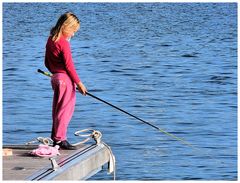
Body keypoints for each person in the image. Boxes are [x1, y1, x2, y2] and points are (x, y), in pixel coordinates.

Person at [44, 12, 87, 150]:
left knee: (57, 110)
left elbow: (46, 62)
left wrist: (55, 73)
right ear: (65, 27)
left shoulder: (51, 40)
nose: (73, 35)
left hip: (55, 78)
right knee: (65, 110)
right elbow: (69, 66)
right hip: (65, 80)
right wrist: (79, 83)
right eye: (73, 31)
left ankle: (56, 138)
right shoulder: (64, 43)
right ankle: (60, 139)